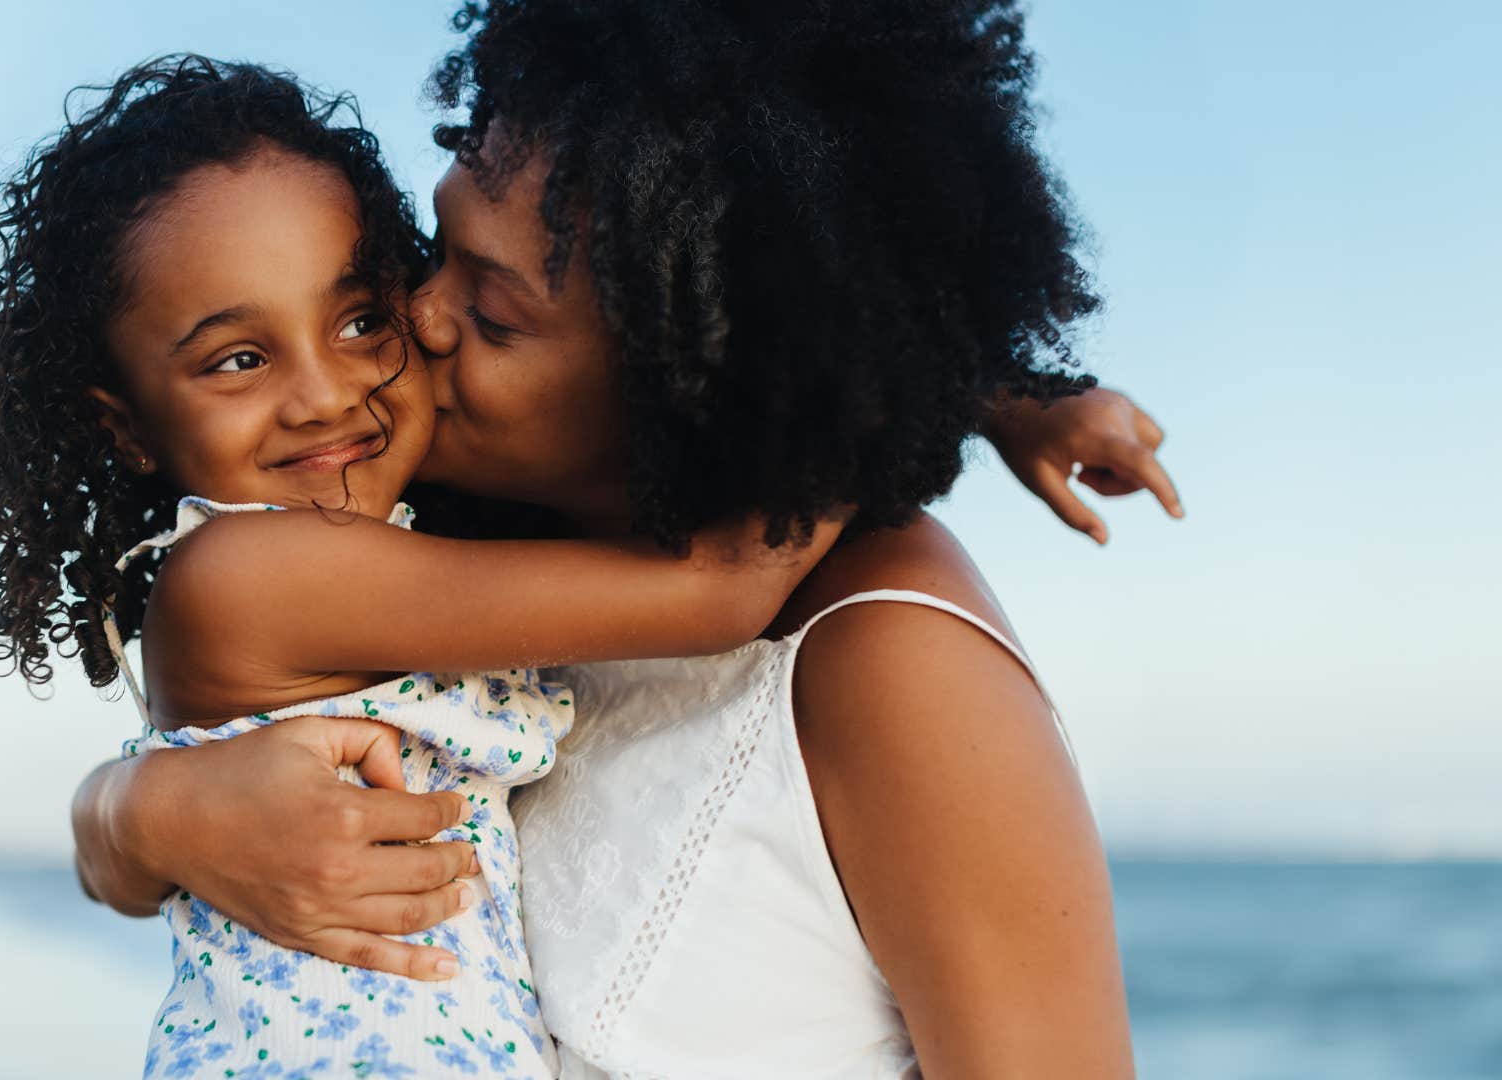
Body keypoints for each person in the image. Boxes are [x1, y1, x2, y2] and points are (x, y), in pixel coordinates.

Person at [75, 1, 1173, 1073]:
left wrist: (933, 384)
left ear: (684, 367)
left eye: (496, 315)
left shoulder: (892, 658)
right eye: (430, 252)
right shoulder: (458, 564)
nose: (418, 321)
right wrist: (140, 817)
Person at [0, 57, 854, 1078]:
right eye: (239, 358)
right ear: (130, 431)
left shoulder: (398, 552)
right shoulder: (254, 572)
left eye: (362, 319)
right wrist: (928, 369)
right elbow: (721, 587)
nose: (323, 394)